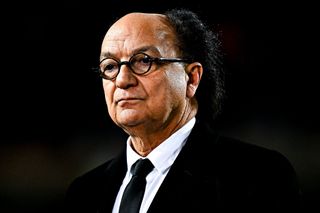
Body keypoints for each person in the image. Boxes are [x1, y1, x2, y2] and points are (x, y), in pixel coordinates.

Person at [64, 8, 301, 212]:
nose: (122, 80)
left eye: (144, 61)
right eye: (110, 66)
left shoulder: (257, 176)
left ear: (192, 78)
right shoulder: (84, 193)